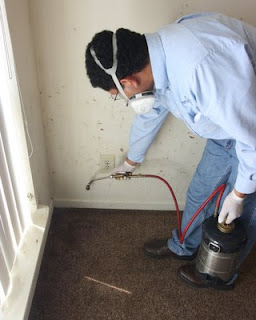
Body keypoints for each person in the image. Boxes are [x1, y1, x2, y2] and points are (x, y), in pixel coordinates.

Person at [85, 12, 256, 290]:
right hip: (225, 131)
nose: (123, 98)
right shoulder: (156, 59)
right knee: (200, 192)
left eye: (118, 95)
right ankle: (183, 247)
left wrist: (239, 194)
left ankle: (218, 275)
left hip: (250, 130)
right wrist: (130, 161)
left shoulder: (201, 68)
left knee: (241, 214)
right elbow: (150, 114)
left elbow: (252, 135)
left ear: (128, 82)